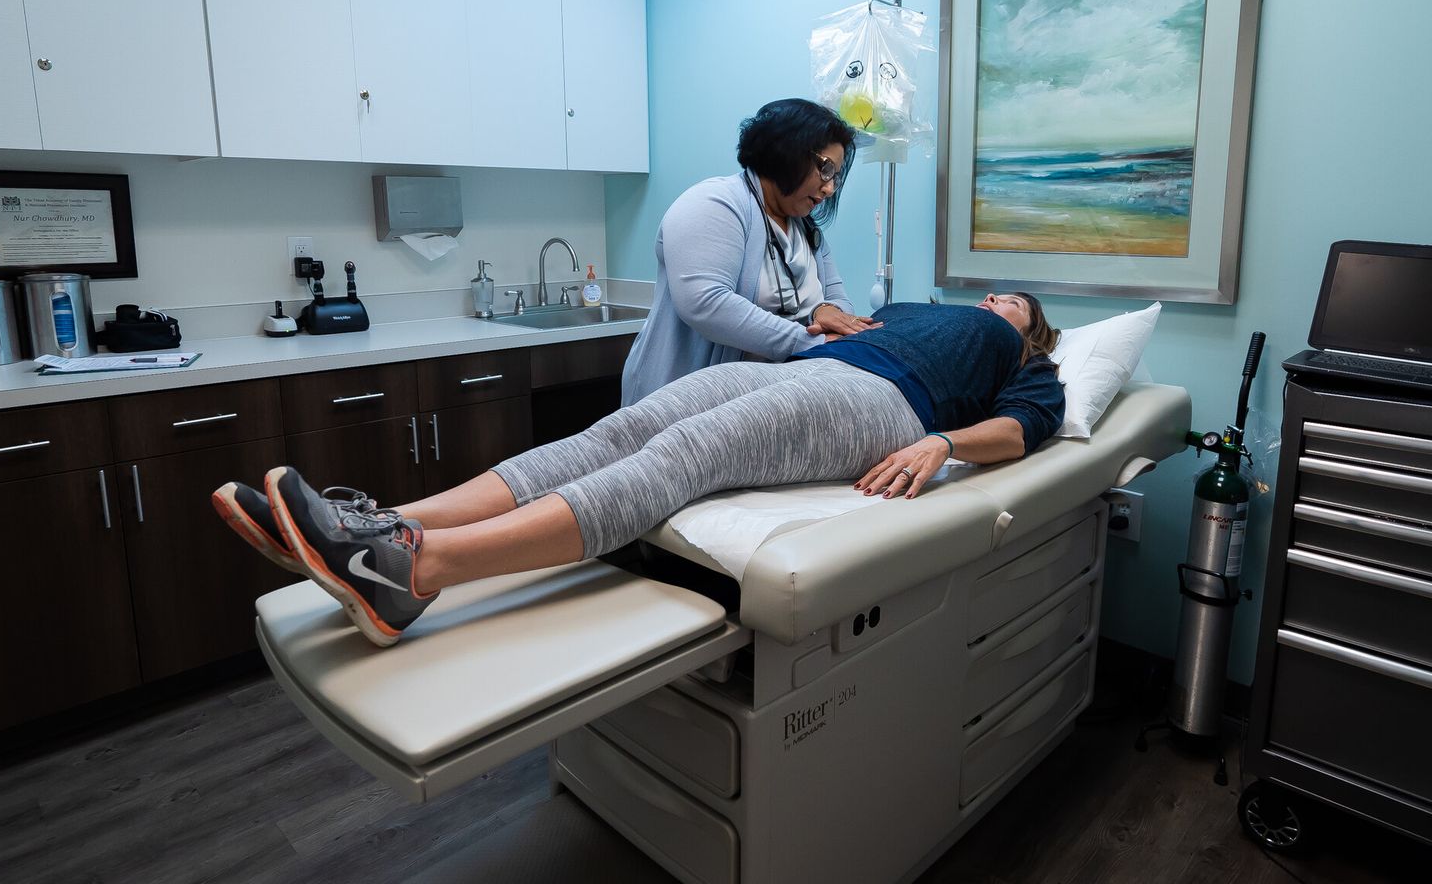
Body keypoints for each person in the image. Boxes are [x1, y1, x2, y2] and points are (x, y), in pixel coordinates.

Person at [213, 294, 1064, 648]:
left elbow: (1029, 427)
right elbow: (830, 319)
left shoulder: (1022, 358)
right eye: (992, 299)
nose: (995, 304)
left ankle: (418, 572)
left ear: (1030, 332)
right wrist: (828, 314)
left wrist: (945, 444)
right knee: (614, 430)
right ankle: (383, 524)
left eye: (1012, 306)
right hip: (811, 365)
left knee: (683, 457)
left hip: (885, 405)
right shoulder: (921, 306)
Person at [620, 98, 879, 406]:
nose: (830, 188)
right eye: (826, 169)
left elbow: (837, 298)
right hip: (683, 403)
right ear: (785, 151)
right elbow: (706, 303)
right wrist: (809, 341)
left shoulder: (806, 229)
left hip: (758, 404)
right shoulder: (714, 204)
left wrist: (825, 311)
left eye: (836, 176)